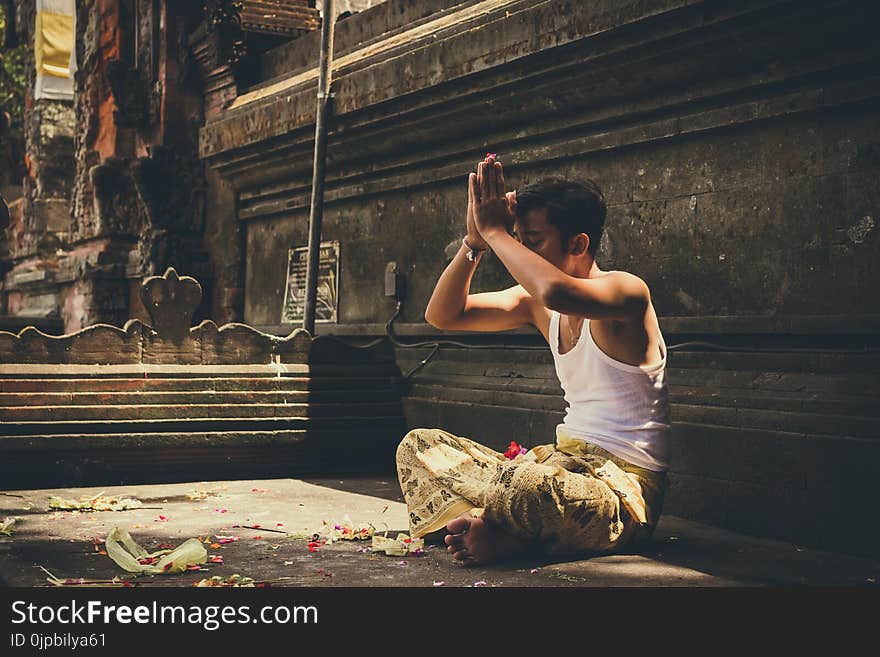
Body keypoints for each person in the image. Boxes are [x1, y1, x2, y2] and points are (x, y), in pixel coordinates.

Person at [395, 154, 671, 565]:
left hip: (617, 493)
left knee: (527, 484)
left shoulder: (627, 292)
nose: (519, 252)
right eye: (518, 239)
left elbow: (557, 292)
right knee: (419, 446)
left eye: (533, 241)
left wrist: (495, 231)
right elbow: (443, 315)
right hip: (554, 462)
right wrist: (475, 243)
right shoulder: (536, 303)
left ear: (578, 244)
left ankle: (494, 529)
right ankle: (497, 527)